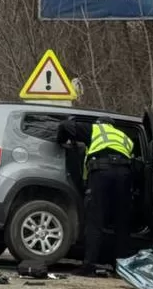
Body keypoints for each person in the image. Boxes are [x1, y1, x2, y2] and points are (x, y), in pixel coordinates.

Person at [57, 116, 135, 276]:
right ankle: (121, 269)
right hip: (125, 175)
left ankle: (89, 266)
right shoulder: (126, 138)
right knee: (121, 222)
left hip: (102, 172)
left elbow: (65, 125)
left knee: (95, 219)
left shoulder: (96, 129)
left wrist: (62, 141)